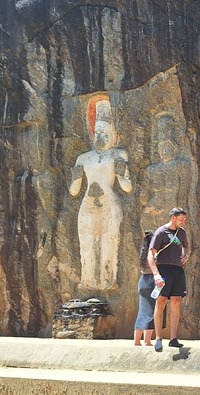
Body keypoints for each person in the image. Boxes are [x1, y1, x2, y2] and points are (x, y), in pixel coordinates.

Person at [69, 96, 133, 290]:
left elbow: (127, 188)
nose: (100, 136)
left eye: (105, 132)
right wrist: (75, 177)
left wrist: (122, 174)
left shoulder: (118, 154)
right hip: (88, 204)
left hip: (108, 203)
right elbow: (73, 192)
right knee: (87, 243)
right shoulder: (83, 158)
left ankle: (108, 281)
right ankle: (88, 281)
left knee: (109, 242)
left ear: (114, 134)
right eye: (97, 132)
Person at [148, 207, 190, 352]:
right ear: (173, 218)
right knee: (160, 301)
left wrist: (186, 255)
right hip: (163, 269)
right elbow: (150, 255)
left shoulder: (182, 232)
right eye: (181, 219)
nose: (184, 222)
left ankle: (173, 338)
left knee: (176, 301)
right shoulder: (161, 232)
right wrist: (156, 274)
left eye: (184, 219)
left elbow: (186, 246)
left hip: (177, 270)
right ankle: (158, 337)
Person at [134, 230, 156, 346]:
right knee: (152, 311)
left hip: (143, 281)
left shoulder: (143, 254)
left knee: (142, 311)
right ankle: (147, 341)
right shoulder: (153, 254)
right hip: (152, 281)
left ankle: (137, 341)